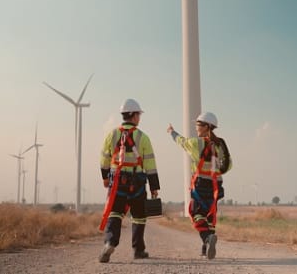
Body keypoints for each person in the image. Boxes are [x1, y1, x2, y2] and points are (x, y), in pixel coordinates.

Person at [98, 98, 160, 263]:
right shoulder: (143, 137)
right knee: (139, 216)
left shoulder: (111, 134)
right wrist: (154, 186)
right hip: (138, 182)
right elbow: (150, 164)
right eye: (138, 114)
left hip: (117, 180)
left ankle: (110, 242)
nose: (139, 118)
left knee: (115, 213)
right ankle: (138, 250)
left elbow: (104, 158)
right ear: (133, 115)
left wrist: (105, 178)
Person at [167, 112, 231, 259]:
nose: (196, 127)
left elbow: (181, 141)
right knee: (210, 215)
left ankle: (208, 238)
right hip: (216, 186)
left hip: (201, 184)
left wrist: (172, 132)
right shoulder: (221, 144)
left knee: (196, 213)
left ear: (206, 126)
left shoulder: (196, 143)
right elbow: (228, 165)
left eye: (198, 124)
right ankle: (205, 247)